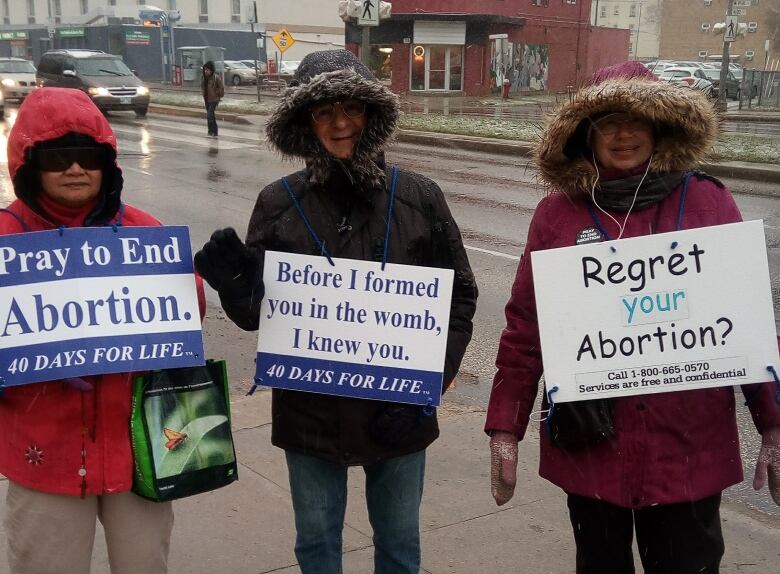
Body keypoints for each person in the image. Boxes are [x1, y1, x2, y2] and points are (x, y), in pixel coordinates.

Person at [485, 61, 780, 573]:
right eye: (608, 122)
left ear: (660, 127)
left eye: (637, 120)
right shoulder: (557, 215)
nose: (623, 135)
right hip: (591, 447)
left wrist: (774, 424)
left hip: (687, 447)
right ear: (586, 134)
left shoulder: (708, 203)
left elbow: (745, 323)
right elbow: (525, 329)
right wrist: (505, 427)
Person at [194, 49, 478, 573]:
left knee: (398, 545)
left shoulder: (420, 197)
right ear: (306, 124)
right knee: (317, 543)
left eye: (352, 107)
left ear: (372, 115)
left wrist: (427, 386)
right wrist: (236, 287)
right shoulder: (278, 203)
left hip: (401, 412)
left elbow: (459, 297)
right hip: (310, 414)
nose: (340, 122)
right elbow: (260, 315)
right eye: (324, 111)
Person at [0, 87, 205, 574]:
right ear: (29, 163)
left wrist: (195, 282)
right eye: (57, 156)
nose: (75, 169)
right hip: (44, 452)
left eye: (87, 156)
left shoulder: (144, 231)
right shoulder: (5, 242)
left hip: (137, 450)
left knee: (144, 566)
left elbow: (184, 323)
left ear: (107, 163)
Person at [201, 61, 224, 138]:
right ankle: (214, 132)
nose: (206, 71)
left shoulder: (215, 78)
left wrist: (217, 94)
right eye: (205, 70)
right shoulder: (204, 78)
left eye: (207, 70)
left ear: (211, 70)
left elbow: (221, 88)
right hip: (207, 99)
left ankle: (211, 132)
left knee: (209, 115)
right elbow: (203, 88)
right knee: (211, 116)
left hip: (214, 100)